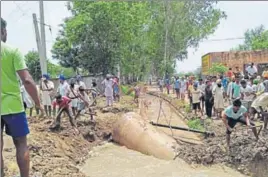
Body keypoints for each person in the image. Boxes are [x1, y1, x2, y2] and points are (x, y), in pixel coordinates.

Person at [1, 18, 44, 177]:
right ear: (4, 31)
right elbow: (27, 80)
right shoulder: (12, 51)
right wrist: (38, 103)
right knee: (21, 144)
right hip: (13, 107)